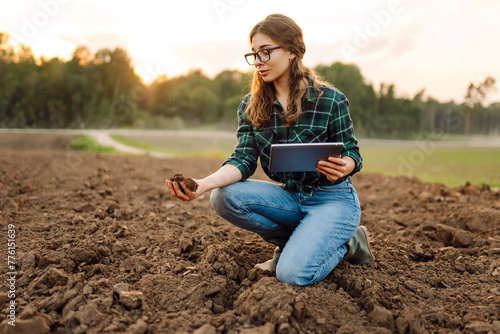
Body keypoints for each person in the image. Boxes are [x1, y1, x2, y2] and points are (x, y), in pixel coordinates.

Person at [165, 13, 373, 286]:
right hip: (291, 198)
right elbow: (243, 160)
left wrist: (346, 165)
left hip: (332, 200)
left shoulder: (331, 100)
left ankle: (350, 242)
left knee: (291, 274)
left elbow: (353, 153)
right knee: (222, 197)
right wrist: (202, 185)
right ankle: (295, 241)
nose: (259, 62)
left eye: (266, 52)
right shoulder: (250, 106)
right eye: (254, 54)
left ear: (291, 51)